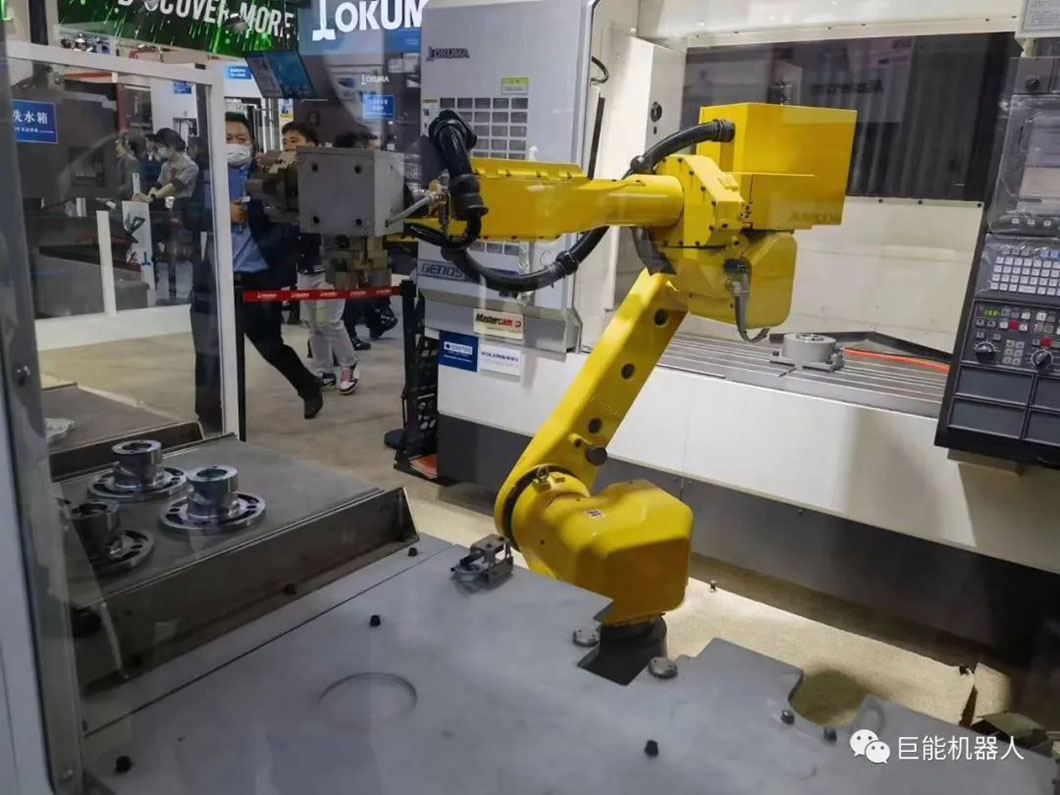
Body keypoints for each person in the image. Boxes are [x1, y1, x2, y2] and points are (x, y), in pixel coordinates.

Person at [226, 112, 324, 419]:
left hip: (255, 274)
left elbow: (286, 221)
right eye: (227, 138)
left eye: (241, 138)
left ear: (251, 142)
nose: (234, 144)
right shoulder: (207, 177)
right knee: (213, 351)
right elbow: (189, 213)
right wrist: (219, 211)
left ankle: (308, 386)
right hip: (215, 276)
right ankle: (214, 414)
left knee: (268, 345)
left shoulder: (270, 173)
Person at [280, 121, 360, 395]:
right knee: (313, 324)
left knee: (330, 321)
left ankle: (349, 365)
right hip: (304, 264)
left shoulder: (331, 177)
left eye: (295, 140)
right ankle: (322, 370)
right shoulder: (285, 181)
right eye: (286, 141)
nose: (289, 146)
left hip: (332, 264)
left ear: (312, 145)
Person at [332, 126, 399, 346]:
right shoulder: (339, 178)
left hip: (371, 239)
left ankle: (376, 319)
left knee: (367, 284)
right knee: (349, 287)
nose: (377, 155)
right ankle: (351, 332)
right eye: (373, 151)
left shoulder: (376, 175)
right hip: (345, 242)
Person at [114, 131, 145, 201]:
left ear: (118, 143)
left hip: (124, 204)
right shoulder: (111, 161)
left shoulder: (132, 162)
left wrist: (109, 192)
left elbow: (129, 187)